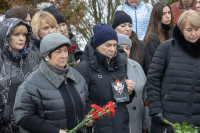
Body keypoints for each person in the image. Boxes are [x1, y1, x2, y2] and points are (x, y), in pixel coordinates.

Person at [13, 33, 88, 133]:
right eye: (58, 52)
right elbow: (22, 116)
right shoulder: (31, 83)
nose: (64, 55)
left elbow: (87, 100)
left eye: (65, 51)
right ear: (47, 56)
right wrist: (54, 131)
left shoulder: (77, 77)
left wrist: (89, 115)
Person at [145, 10, 200, 133]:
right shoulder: (167, 48)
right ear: (181, 30)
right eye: (189, 30)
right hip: (168, 121)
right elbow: (152, 80)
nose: (194, 34)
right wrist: (156, 109)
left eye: (197, 29)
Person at [75, 24, 135, 133]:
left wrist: (129, 91)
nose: (112, 49)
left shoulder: (119, 64)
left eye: (115, 45)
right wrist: (89, 114)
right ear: (97, 45)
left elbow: (122, 98)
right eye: (108, 45)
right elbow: (79, 99)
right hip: (98, 126)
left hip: (122, 125)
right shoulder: (84, 67)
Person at [0, 18, 38, 133]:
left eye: (24, 34)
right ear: (6, 36)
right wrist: (4, 117)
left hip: (33, 124)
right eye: (16, 34)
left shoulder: (34, 59)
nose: (21, 38)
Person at [117, 33, 151, 133]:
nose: (125, 51)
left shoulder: (137, 67)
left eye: (127, 48)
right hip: (118, 124)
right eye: (121, 48)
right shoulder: (108, 69)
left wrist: (146, 122)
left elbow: (146, 96)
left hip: (137, 122)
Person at [112, 10, 150, 75]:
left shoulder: (140, 45)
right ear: (114, 29)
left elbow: (148, 70)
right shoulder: (110, 46)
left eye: (130, 26)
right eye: (123, 26)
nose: (128, 29)